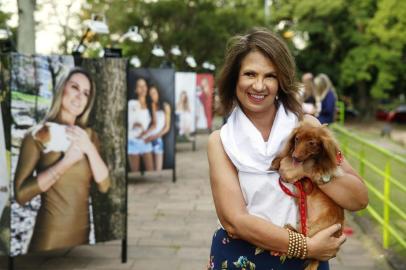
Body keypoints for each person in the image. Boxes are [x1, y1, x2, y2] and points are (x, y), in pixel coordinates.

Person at [207, 28, 368, 270]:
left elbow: (358, 198)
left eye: (270, 76)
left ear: (281, 81)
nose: (259, 86)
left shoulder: (307, 128)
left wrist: (309, 169)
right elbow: (235, 222)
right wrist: (307, 248)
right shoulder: (220, 141)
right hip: (242, 258)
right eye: (250, 74)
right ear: (235, 79)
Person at [14, 68, 111, 251]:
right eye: (75, 87)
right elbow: (21, 195)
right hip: (50, 237)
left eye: (86, 93)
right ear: (62, 89)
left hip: (83, 236)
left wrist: (88, 147)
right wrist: (65, 163)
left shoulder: (89, 135)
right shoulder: (37, 134)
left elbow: (104, 186)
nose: (80, 96)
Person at [143, 84, 171, 171]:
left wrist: (155, 137)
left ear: (158, 93)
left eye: (154, 93)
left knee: (158, 169)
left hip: (157, 138)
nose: (152, 96)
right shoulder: (150, 106)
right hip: (148, 137)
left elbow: (167, 127)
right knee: (149, 168)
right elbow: (153, 124)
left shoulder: (166, 106)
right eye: (150, 94)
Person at [128, 78, 154, 172]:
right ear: (136, 89)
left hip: (145, 141)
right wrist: (136, 124)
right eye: (140, 86)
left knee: (151, 171)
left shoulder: (150, 105)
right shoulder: (131, 103)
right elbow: (129, 121)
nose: (143, 88)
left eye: (144, 86)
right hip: (133, 141)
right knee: (135, 173)